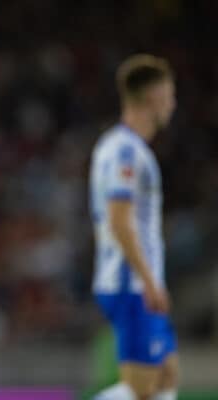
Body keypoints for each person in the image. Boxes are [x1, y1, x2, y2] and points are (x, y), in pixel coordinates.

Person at [89, 54, 178, 400]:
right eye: (169, 96)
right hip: (131, 282)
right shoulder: (126, 151)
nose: (172, 105)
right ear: (153, 97)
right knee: (143, 391)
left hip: (138, 280)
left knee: (166, 379)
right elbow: (119, 219)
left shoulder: (120, 146)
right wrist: (150, 280)